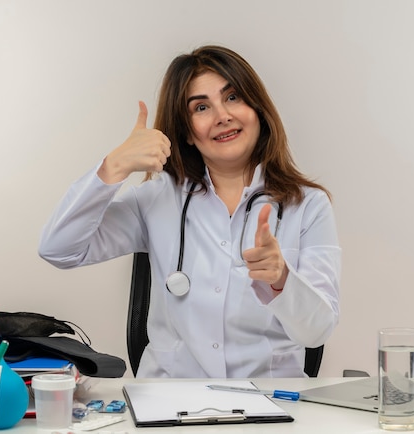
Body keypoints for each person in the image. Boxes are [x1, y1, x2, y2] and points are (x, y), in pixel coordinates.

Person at [39, 45, 341, 378]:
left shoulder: (308, 205)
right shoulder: (157, 199)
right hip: (170, 403)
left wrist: (281, 279)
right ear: (186, 131)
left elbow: (317, 331)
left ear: (257, 109)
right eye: (201, 107)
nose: (222, 116)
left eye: (233, 97)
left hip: (271, 401)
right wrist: (114, 167)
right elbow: (58, 249)